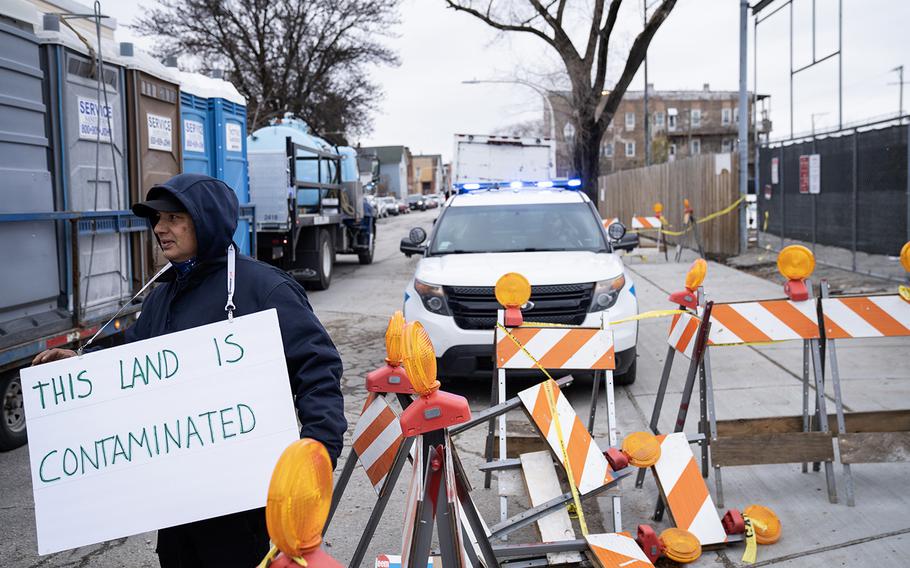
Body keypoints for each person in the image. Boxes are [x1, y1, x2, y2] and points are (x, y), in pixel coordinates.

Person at [32, 173, 346, 567]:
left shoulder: (264, 288)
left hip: (242, 506)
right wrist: (80, 362)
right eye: (157, 220)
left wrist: (315, 458)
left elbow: (318, 369)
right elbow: (133, 357)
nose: (160, 229)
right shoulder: (164, 293)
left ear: (206, 220)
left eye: (174, 218)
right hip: (176, 505)